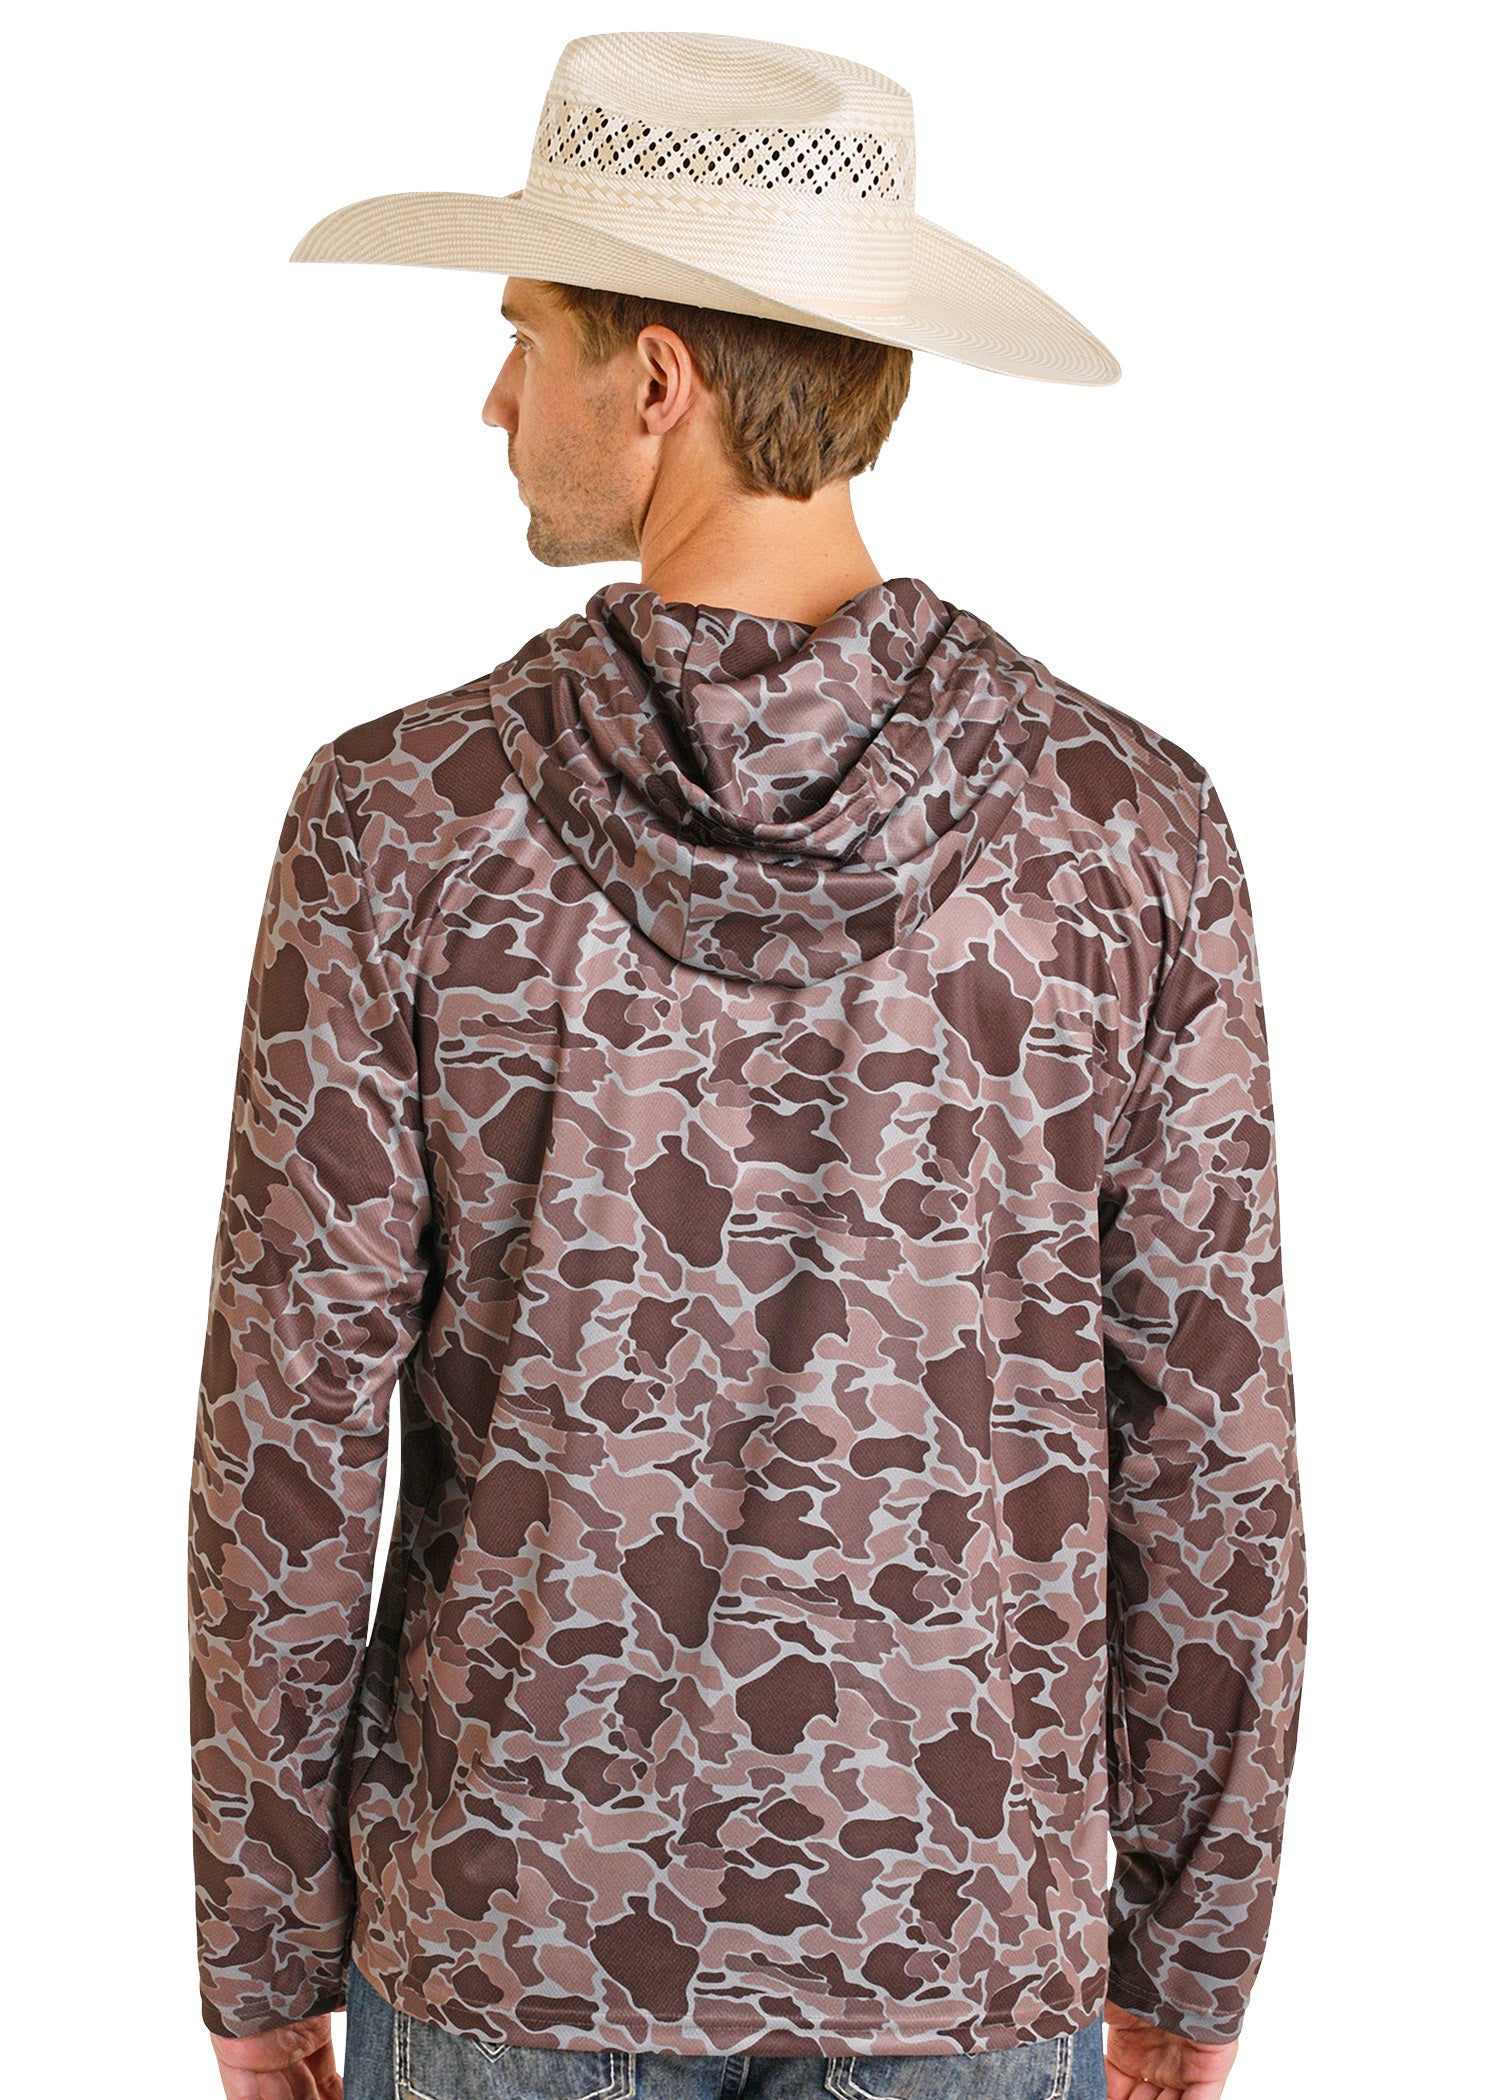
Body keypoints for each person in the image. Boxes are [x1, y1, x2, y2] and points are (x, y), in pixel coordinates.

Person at [187, 31, 1306, 2100]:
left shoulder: (401, 824)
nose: (495, 399)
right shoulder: (1125, 830)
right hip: (961, 1948)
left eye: (524, 338)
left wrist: (261, 1950)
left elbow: (290, 1439)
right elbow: (1211, 1443)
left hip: (513, 1945)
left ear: (657, 380)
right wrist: (1194, 1943)